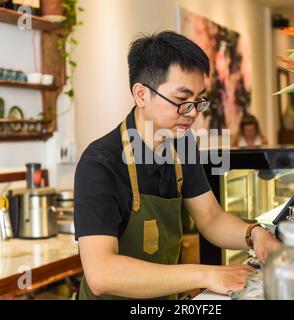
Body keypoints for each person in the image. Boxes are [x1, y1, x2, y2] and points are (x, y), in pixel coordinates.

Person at [74, 31, 280, 300]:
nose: (193, 112)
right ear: (141, 94)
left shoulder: (181, 144)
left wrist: (255, 234)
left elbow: (211, 218)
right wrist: (206, 274)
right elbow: (101, 273)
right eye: (182, 100)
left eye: (198, 100)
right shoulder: (100, 164)